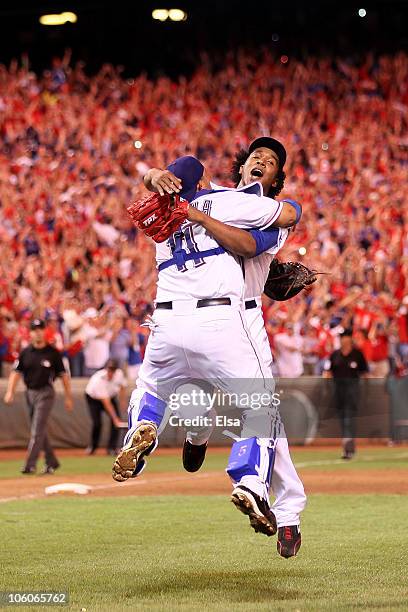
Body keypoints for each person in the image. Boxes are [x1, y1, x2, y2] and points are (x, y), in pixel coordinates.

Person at [113, 141, 301, 557]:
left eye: (270, 162)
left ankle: (142, 431)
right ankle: (250, 480)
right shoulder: (229, 200)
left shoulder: (179, 202)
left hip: (168, 316)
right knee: (260, 410)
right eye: (256, 157)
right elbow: (288, 214)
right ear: (240, 166)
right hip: (225, 317)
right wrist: (186, 199)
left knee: (156, 390)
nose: (261, 162)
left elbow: (256, 237)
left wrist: (153, 178)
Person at [3, 319, 73, 474]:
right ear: (31, 333)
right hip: (29, 393)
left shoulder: (53, 353)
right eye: (35, 329)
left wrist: (69, 397)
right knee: (39, 430)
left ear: (44, 331)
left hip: (46, 393)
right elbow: (16, 373)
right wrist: (10, 391)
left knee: (37, 430)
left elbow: (63, 376)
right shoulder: (26, 352)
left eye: (40, 329)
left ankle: (30, 464)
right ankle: (51, 461)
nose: (38, 332)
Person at [324, 329, 369, 459]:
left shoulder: (357, 354)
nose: (343, 339)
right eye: (342, 337)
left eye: (345, 337)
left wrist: (367, 392)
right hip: (338, 392)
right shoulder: (335, 355)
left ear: (350, 339)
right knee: (343, 421)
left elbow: (365, 374)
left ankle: (348, 449)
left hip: (353, 392)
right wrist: (327, 388)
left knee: (349, 420)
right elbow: (328, 372)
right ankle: (349, 447)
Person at [85, 358, 127, 455]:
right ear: (106, 369)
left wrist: (122, 402)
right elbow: (106, 402)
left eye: (113, 370)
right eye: (109, 369)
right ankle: (93, 447)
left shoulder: (119, 374)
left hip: (110, 397)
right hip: (93, 399)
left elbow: (123, 386)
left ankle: (111, 448)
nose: (111, 372)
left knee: (117, 423)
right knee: (97, 423)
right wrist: (115, 418)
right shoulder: (98, 379)